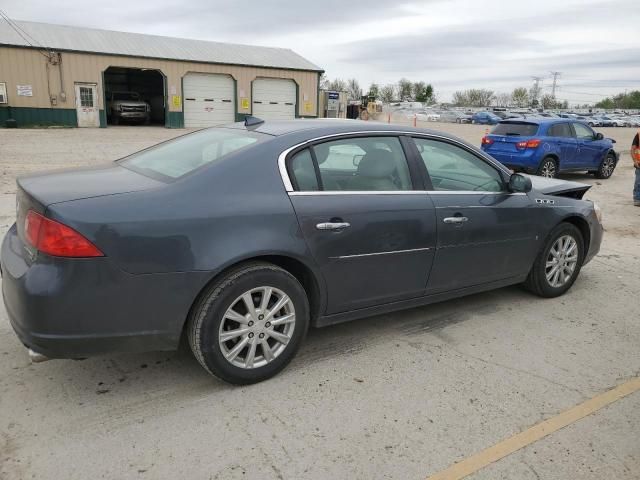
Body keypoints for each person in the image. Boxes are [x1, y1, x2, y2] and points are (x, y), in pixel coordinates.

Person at [632, 132, 640, 206]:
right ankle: (637, 199)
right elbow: (633, 149)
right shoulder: (639, 135)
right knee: (638, 183)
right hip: (639, 164)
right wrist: (635, 160)